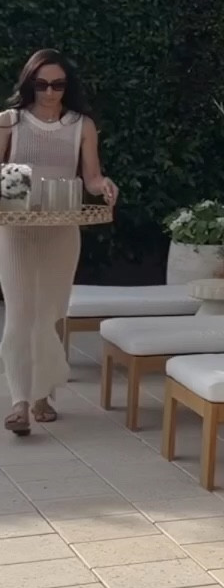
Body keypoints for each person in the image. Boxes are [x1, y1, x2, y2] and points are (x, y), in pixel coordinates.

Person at [0, 50, 118, 436]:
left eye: (58, 84)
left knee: (49, 313)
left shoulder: (81, 125)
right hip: (17, 229)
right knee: (19, 312)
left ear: (68, 86)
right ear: (29, 83)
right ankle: (19, 401)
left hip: (62, 230)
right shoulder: (10, 122)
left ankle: (42, 394)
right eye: (42, 84)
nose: (50, 92)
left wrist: (105, 187)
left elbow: (91, 177)